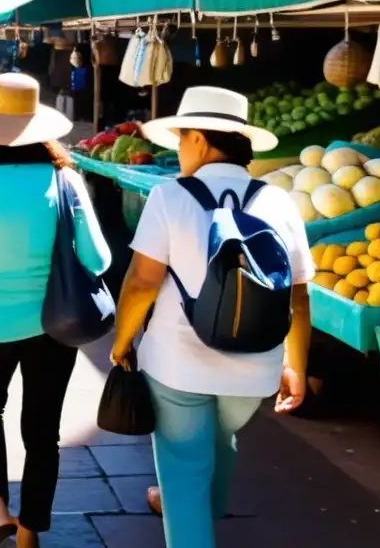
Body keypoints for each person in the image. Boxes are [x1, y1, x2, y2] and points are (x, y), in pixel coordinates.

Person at [109, 86, 314, 548]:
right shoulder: (278, 200)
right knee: (219, 438)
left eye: (182, 139)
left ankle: (190, 518)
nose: (179, 149)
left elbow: (141, 282)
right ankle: (204, 509)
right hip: (257, 369)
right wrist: (295, 366)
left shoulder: (170, 197)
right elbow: (298, 296)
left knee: (183, 468)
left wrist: (122, 342)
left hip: (177, 365)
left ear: (201, 140)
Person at [0, 73, 110, 548]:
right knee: (42, 431)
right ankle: (29, 531)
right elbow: (99, 260)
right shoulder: (67, 181)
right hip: (56, 325)